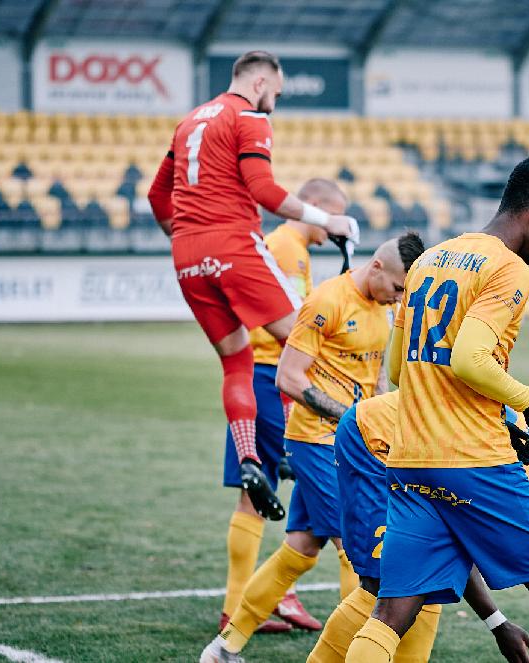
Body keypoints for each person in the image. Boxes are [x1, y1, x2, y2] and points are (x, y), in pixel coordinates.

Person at [346, 156, 529, 663]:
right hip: (473, 457)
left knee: (392, 612)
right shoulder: (508, 268)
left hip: (410, 458)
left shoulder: (431, 258)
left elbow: (397, 368)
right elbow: (470, 359)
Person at [147, 50, 357, 521]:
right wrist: (329, 220)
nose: (274, 104)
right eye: (276, 94)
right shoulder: (248, 117)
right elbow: (263, 191)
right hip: (233, 244)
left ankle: (251, 458)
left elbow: (157, 195)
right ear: (260, 83)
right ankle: (312, 444)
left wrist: (183, 235)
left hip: (187, 255)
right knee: (306, 338)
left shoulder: (188, 123)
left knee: (236, 361)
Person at [200, 233, 426, 662]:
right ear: (377, 266)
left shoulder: (386, 308)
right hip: (317, 441)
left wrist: (383, 424)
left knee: (300, 550)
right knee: (357, 552)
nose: (399, 298)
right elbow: (288, 377)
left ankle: (225, 647)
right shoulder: (326, 301)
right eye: (398, 287)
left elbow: (377, 375)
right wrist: (351, 418)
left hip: (357, 444)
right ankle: (360, 652)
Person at [307, 390, 529, 662]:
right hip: (375, 440)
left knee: (423, 584)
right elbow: (466, 541)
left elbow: (456, 546)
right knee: (385, 588)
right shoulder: (520, 471)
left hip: (415, 450)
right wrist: (497, 624)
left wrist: (497, 623)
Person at [218, 179, 344, 634]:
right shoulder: (289, 247)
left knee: (257, 493)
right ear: (313, 205)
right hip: (275, 377)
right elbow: (293, 324)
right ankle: (268, 599)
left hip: (259, 372)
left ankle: (246, 603)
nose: (334, 228)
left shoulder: (284, 246)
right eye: (333, 215)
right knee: (326, 491)